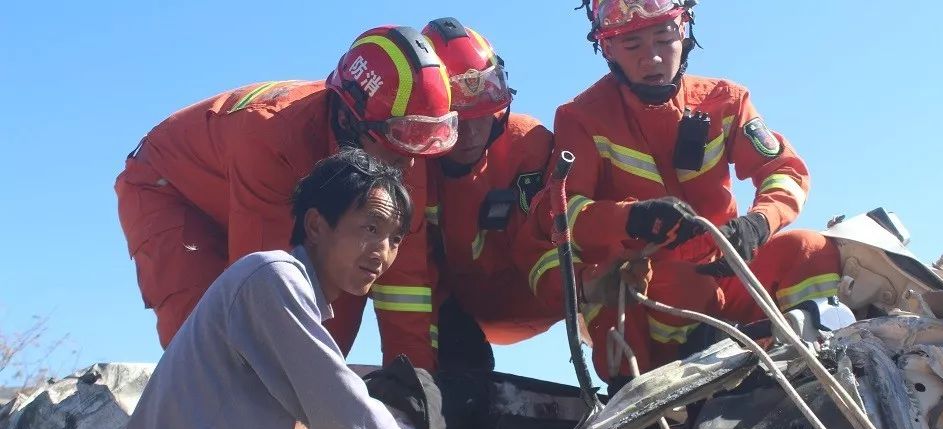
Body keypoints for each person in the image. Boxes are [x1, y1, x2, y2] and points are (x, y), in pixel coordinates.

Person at [101, 150, 490, 429]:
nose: (382, 251)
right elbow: (345, 412)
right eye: (370, 228)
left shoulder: (288, 294)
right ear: (316, 225)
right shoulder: (272, 278)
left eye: (395, 238)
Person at [517, 0, 843, 381]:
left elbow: (785, 170)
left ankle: (823, 372)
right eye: (633, 45)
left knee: (808, 250)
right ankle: (640, 412)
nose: (652, 58)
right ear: (607, 49)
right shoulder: (581, 118)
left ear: (684, 29)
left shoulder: (728, 100)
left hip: (730, 269)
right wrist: (630, 219)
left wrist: (759, 223)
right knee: (618, 282)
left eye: (663, 37)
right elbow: (563, 213)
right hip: (648, 293)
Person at [115, 26, 456, 371]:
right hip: (171, 191)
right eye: (401, 135)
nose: (410, 161)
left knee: (341, 292)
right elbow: (262, 291)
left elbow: (407, 288)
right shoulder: (272, 137)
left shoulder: (401, 153)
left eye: (424, 137)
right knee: (213, 360)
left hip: (253, 190)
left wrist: (412, 386)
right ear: (345, 119)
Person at [420, 17, 563, 371]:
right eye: (455, 120)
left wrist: (587, 289)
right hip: (453, 314)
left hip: (542, 298)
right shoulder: (406, 167)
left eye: (480, 116)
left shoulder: (530, 145)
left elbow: (554, 239)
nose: (469, 134)